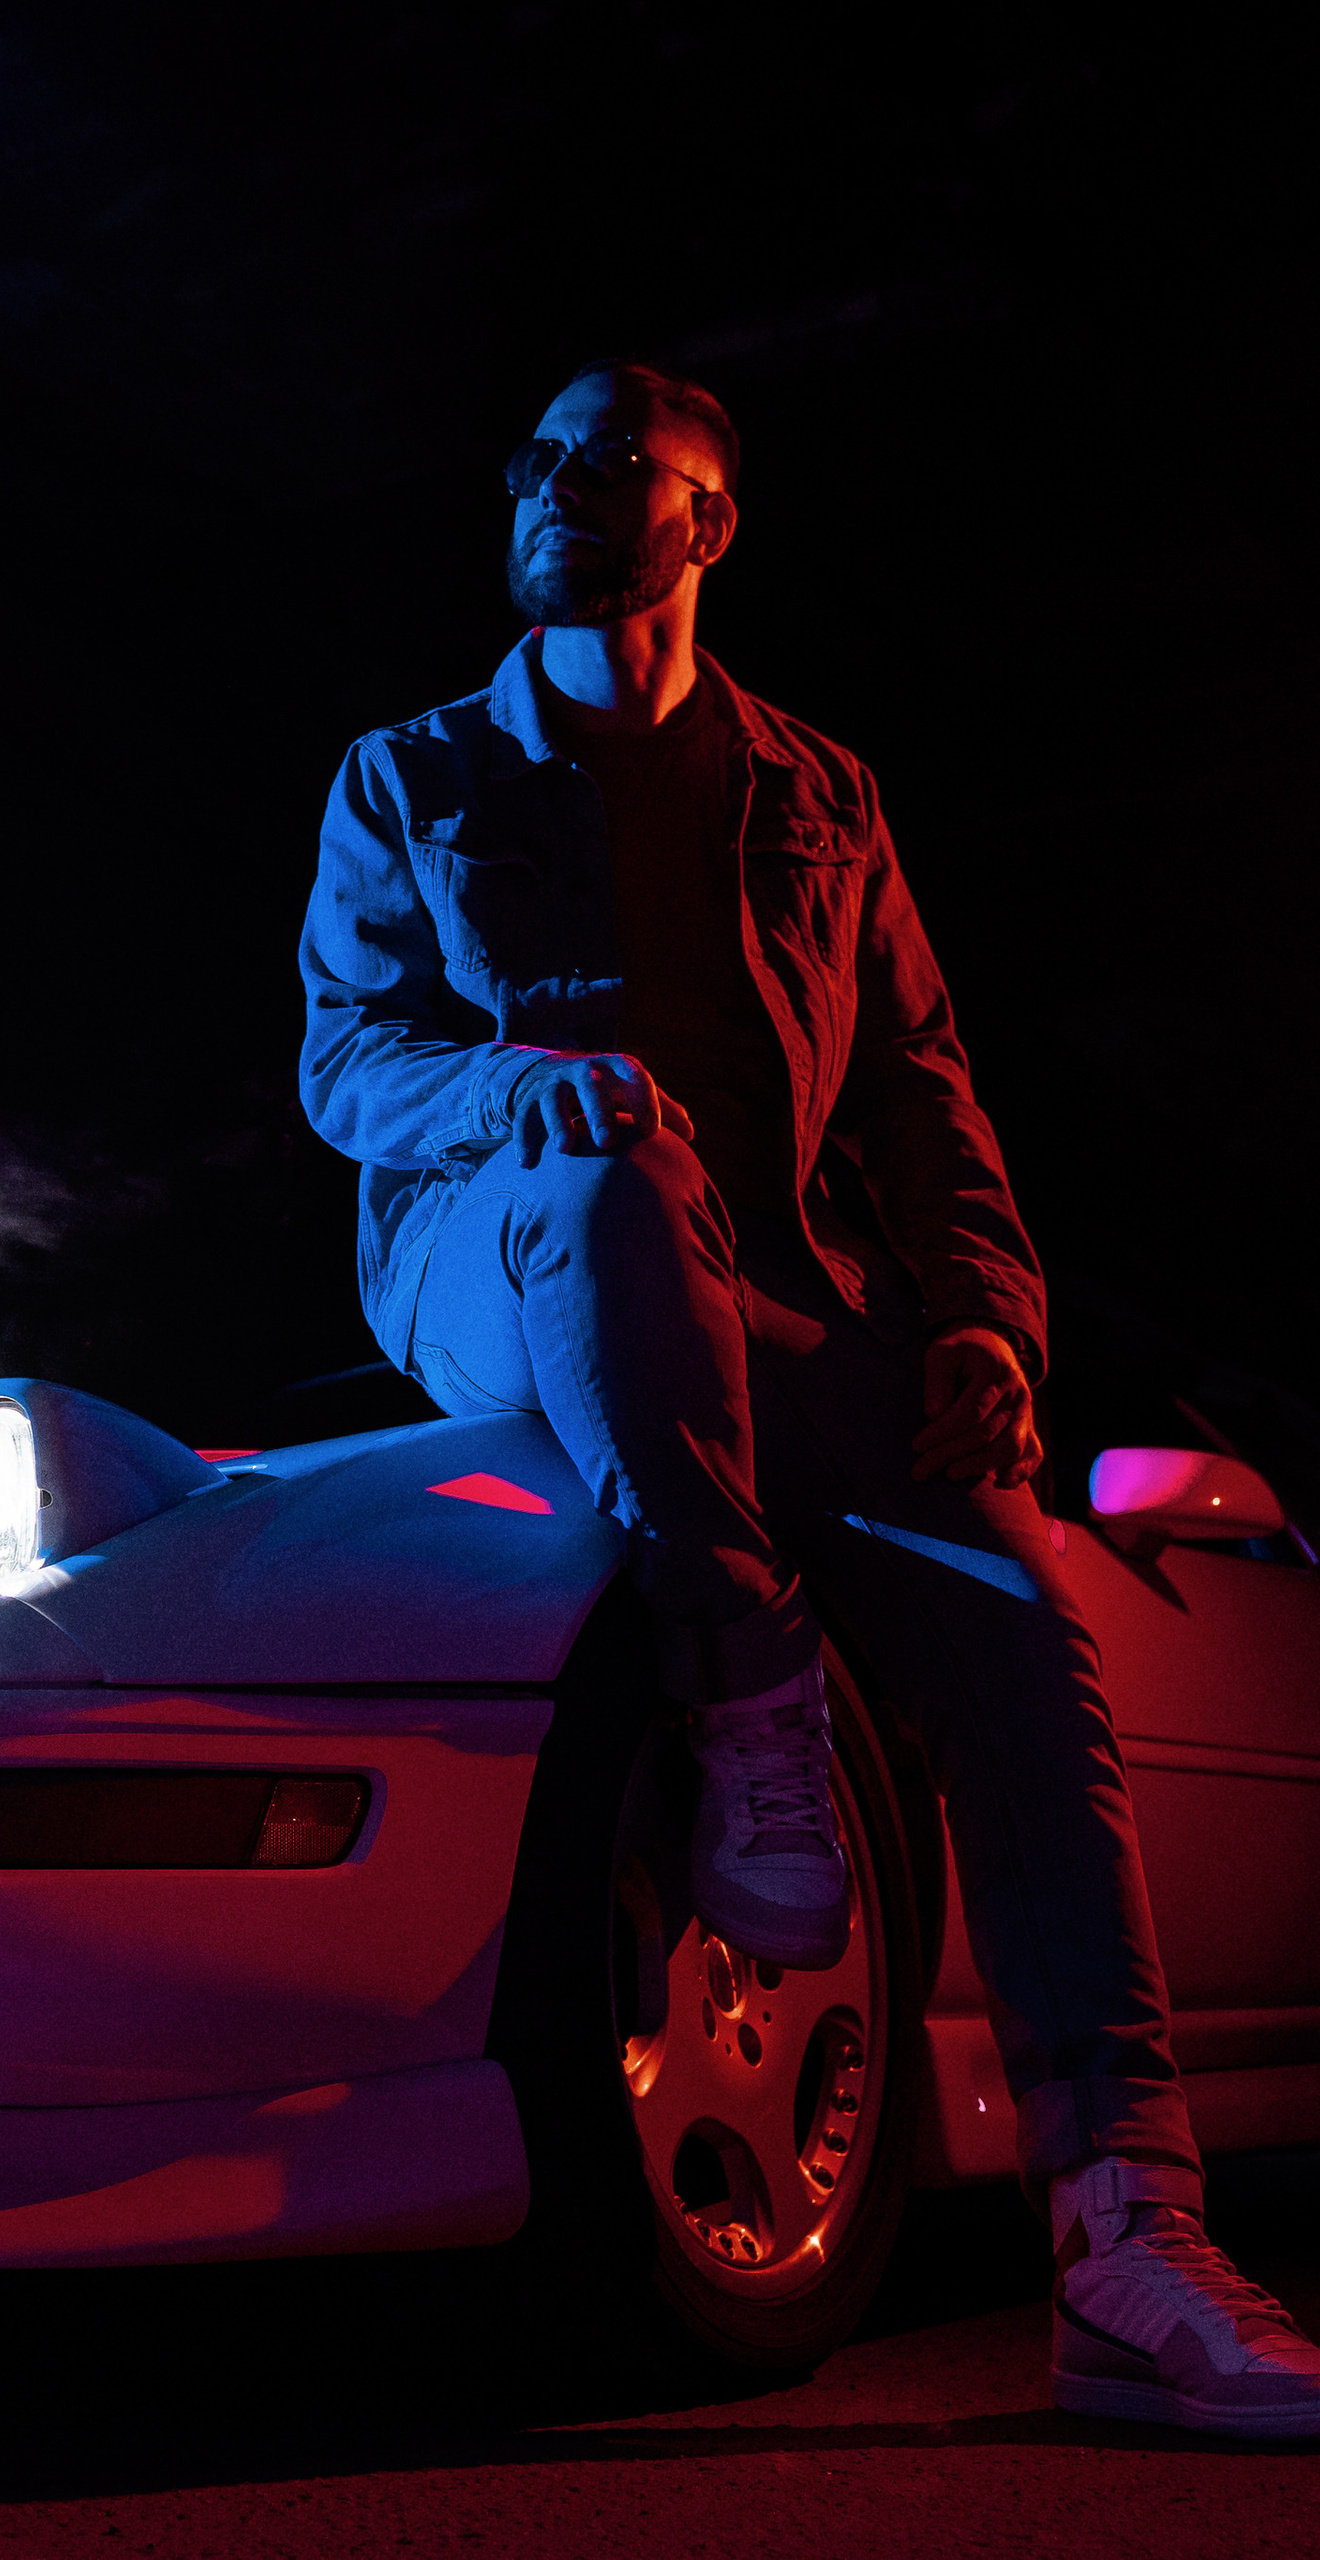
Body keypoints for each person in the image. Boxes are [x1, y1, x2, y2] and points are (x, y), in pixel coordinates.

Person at [297, 357, 1320, 2437]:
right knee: (606, 1155)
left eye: (615, 468)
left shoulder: (818, 794)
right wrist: (513, 1081)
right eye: (538, 460)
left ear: (705, 527)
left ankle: (1125, 2240)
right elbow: (347, 1064)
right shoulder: (406, 776)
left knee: (1026, 1637)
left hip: (774, 1302)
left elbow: (924, 1095)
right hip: (503, 1250)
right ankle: (744, 1670)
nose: (559, 490)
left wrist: (980, 1324)